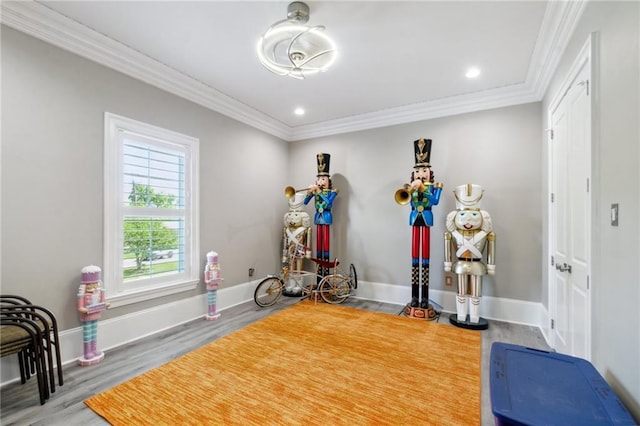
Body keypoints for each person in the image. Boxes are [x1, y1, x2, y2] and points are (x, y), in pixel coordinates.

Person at [444, 183, 495, 329]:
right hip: (460, 264)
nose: (468, 220)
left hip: (477, 264)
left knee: (475, 293)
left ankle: (474, 317)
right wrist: (447, 263)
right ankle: (461, 315)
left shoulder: (486, 234)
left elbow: (491, 248)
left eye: (473, 215)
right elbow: (448, 247)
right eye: (462, 215)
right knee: (460, 291)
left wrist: (491, 266)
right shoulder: (452, 233)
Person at [403, 138, 443, 313]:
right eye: (418, 171)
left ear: (430, 173)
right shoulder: (410, 187)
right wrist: (412, 189)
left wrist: (423, 188)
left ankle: (424, 297)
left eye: (424, 170)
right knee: (414, 258)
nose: (420, 174)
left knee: (425, 258)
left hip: (426, 217)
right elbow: (407, 201)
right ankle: (414, 296)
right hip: (415, 218)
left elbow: (434, 201)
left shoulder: (434, 187)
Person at [304, 153, 338, 279]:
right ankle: (319, 275)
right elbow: (305, 203)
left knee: (326, 245)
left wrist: (319, 192)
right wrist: (309, 193)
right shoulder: (316, 191)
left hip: (327, 216)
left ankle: (326, 273)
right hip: (318, 217)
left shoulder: (333, 192)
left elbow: (328, 203)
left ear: (329, 181)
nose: (320, 181)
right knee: (318, 245)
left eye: (323, 179)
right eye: (319, 179)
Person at [77, 265, 110, 365]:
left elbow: (103, 301)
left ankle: (94, 349)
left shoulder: (99, 293)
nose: (94, 287)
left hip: (96, 315)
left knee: (94, 333)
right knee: (87, 334)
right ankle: (87, 352)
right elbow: (80, 308)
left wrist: (106, 304)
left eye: (95, 284)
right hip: (87, 317)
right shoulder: (82, 295)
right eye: (90, 285)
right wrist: (85, 310)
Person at [282, 191, 312, 295]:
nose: (292, 218)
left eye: (295, 215)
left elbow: (308, 239)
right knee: (290, 265)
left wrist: (308, 251)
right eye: (290, 215)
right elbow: (285, 241)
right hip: (290, 250)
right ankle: (290, 283)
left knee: (299, 266)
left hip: (299, 250)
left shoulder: (304, 229)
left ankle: (298, 285)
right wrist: (285, 254)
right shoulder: (287, 230)